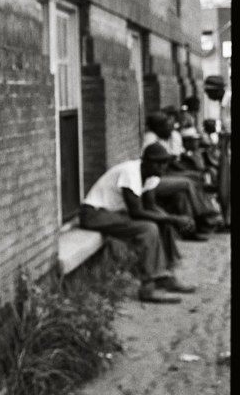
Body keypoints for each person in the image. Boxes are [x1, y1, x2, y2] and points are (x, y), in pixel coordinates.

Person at [79, 143, 197, 304]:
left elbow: (150, 206)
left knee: (163, 223)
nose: (162, 166)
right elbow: (137, 212)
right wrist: (173, 218)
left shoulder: (152, 175)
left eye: (164, 162)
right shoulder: (130, 172)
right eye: (157, 162)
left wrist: (171, 218)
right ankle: (147, 287)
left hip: (113, 213)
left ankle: (165, 276)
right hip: (94, 214)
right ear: (145, 161)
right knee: (148, 228)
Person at [141, 111, 221, 236]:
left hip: (163, 173)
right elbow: (157, 164)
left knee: (183, 192)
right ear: (158, 126)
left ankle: (191, 228)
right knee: (187, 183)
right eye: (167, 126)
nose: (171, 128)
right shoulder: (150, 138)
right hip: (153, 179)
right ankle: (205, 214)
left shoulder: (162, 137)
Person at [202, 75, 231, 229]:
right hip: (226, 148)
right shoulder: (223, 104)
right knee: (224, 185)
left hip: (229, 147)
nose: (208, 96)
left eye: (209, 92)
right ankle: (227, 220)